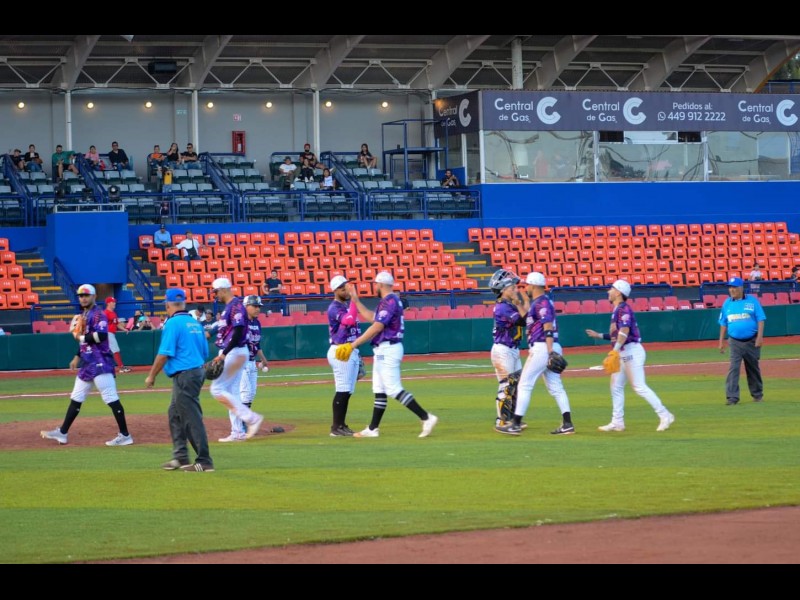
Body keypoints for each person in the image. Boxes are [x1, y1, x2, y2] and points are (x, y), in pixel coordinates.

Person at [341, 271, 438, 438]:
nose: (374, 287)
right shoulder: (388, 301)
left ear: (380, 284)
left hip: (388, 348)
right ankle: (373, 429)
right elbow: (374, 318)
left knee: (393, 388)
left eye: (375, 284)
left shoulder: (390, 300)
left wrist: (353, 344)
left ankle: (426, 417)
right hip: (383, 349)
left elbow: (377, 326)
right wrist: (356, 301)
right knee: (379, 389)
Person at [40, 283, 133, 446]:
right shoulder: (84, 315)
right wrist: (77, 356)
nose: (83, 298)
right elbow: (85, 341)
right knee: (76, 397)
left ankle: (125, 435)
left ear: (94, 296)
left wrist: (80, 337)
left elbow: (101, 335)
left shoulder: (98, 314)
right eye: (81, 296)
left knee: (110, 397)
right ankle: (63, 433)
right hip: (87, 362)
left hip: (100, 361)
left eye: (86, 295)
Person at [586, 279, 675, 432]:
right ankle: (617, 422)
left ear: (618, 292)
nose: (608, 291)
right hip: (623, 351)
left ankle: (665, 415)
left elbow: (624, 332)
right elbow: (616, 335)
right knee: (616, 387)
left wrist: (614, 351)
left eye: (612, 289)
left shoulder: (623, 309)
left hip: (630, 351)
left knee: (639, 386)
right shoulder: (618, 309)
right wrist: (599, 335)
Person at [496, 272, 575, 436]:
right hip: (547, 346)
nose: (525, 288)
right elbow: (527, 319)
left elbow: (547, 326)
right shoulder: (539, 302)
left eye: (527, 285)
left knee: (524, 384)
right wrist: (519, 303)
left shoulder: (542, 303)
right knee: (556, 387)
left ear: (533, 285)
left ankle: (515, 424)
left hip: (542, 346)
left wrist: (550, 351)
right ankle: (567, 423)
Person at [145, 288, 213, 472]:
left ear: (167, 304)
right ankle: (181, 456)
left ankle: (204, 461)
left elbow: (164, 353)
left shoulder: (172, 323)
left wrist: (152, 375)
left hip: (185, 375)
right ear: (183, 303)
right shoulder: (195, 323)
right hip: (196, 371)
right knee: (174, 414)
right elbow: (205, 352)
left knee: (191, 418)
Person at [208, 277, 265, 439]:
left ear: (224, 290)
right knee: (232, 392)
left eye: (216, 292)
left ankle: (252, 418)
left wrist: (224, 354)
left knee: (216, 389)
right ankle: (237, 432)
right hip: (235, 351)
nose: (215, 295)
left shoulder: (235, 306)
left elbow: (238, 332)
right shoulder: (230, 307)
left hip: (235, 351)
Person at [220, 295, 270, 442]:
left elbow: (257, 343)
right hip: (242, 361)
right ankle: (241, 426)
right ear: (246, 306)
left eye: (259, 306)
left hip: (252, 361)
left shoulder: (257, 322)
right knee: (244, 394)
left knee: (250, 394)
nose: (258, 309)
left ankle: (244, 423)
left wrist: (263, 358)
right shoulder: (241, 322)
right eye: (255, 306)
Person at [487, 269, 529, 429]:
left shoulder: (508, 305)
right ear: (504, 290)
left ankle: (512, 419)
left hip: (512, 349)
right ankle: (502, 420)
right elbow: (524, 321)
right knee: (506, 385)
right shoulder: (503, 308)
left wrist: (521, 302)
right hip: (503, 351)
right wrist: (521, 303)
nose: (515, 290)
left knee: (516, 385)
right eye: (512, 288)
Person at [718, 276, 766, 406]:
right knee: (733, 368)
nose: (732, 290)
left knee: (753, 368)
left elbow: (760, 319)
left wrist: (760, 337)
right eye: (730, 287)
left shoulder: (752, 301)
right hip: (734, 341)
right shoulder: (727, 303)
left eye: (734, 287)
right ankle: (732, 398)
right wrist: (721, 341)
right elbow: (723, 323)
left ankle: (757, 395)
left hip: (751, 341)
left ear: (741, 288)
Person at [326, 275, 361, 437]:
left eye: (346, 287)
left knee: (348, 391)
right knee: (342, 389)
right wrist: (354, 300)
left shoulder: (345, 306)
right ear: (335, 291)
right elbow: (348, 320)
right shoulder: (334, 307)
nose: (346, 291)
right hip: (340, 350)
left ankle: (341, 424)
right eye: (342, 289)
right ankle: (336, 427)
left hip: (350, 349)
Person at [103, 297, 131, 373]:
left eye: (114, 302)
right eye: (113, 302)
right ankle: (121, 367)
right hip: (107, 333)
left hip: (111, 333)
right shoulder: (105, 313)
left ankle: (105, 367)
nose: (114, 303)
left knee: (108, 351)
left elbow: (117, 324)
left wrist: (124, 329)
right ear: (108, 303)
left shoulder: (113, 313)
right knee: (115, 350)